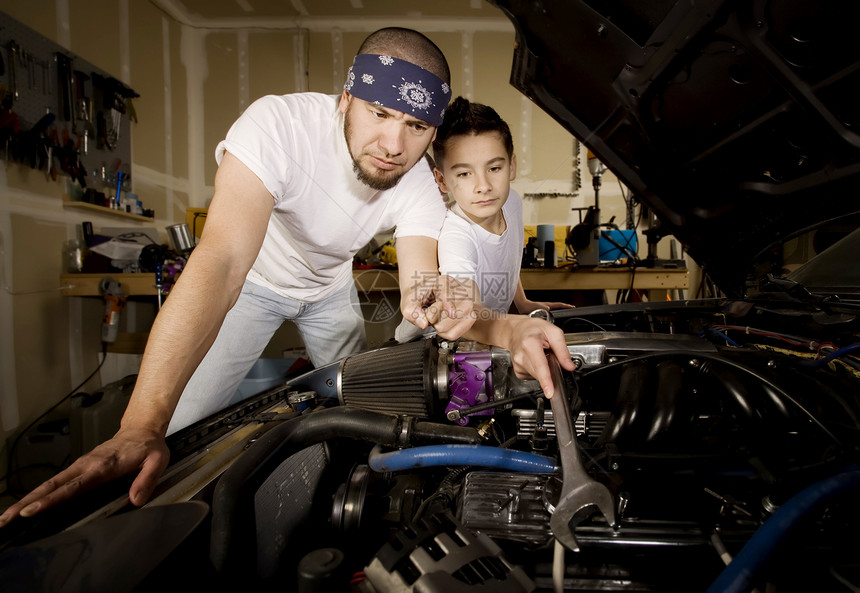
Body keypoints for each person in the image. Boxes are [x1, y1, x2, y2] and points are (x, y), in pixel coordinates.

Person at [0, 28, 574, 528]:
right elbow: (222, 261)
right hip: (251, 283)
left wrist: (502, 327)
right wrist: (138, 424)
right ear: (347, 97)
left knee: (357, 419)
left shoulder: (420, 182)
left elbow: (424, 286)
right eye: (379, 114)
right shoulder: (277, 126)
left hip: (328, 290)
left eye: (417, 126)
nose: (394, 147)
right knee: (171, 434)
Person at [396, 96, 572, 342]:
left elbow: (507, 259)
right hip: (440, 344)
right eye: (465, 173)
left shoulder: (512, 202)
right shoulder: (457, 236)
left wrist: (521, 302)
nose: (484, 186)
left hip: (491, 335)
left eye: (494, 168)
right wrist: (518, 327)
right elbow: (466, 309)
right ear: (442, 181)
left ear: (512, 166)